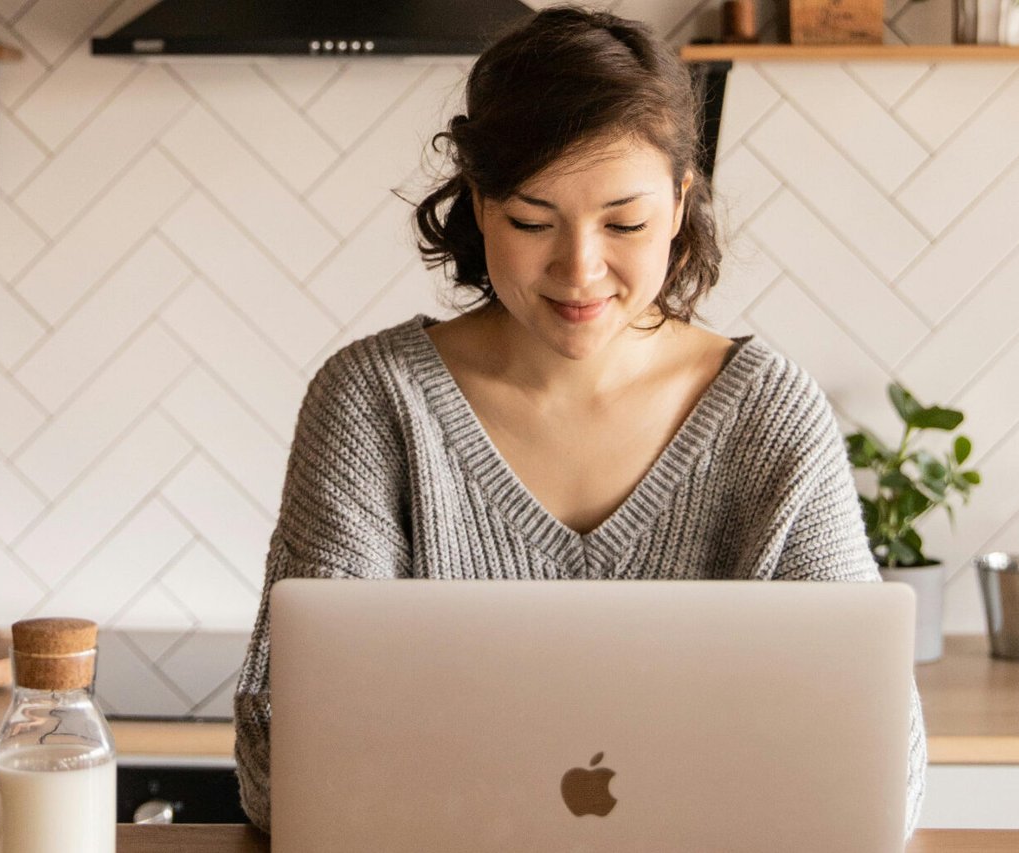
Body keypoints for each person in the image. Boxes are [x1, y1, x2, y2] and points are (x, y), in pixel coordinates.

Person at [232, 4, 927, 840]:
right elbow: (282, 772)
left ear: (679, 204)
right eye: (533, 220)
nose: (580, 268)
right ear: (479, 204)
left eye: (625, 222)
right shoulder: (373, 404)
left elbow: (878, 768)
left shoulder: (769, 416)